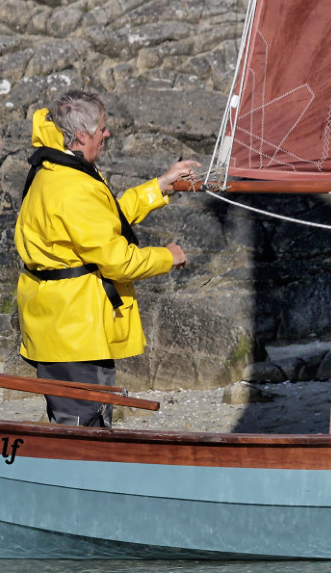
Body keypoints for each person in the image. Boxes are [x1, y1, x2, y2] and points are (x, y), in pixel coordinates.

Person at [14, 89, 200, 427]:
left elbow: (102, 221)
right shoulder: (73, 187)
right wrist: (167, 257)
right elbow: (118, 261)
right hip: (76, 328)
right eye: (102, 128)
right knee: (86, 424)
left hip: (56, 322)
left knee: (70, 420)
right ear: (82, 135)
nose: (107, 133)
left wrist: (158, 187)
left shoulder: (55, 167)